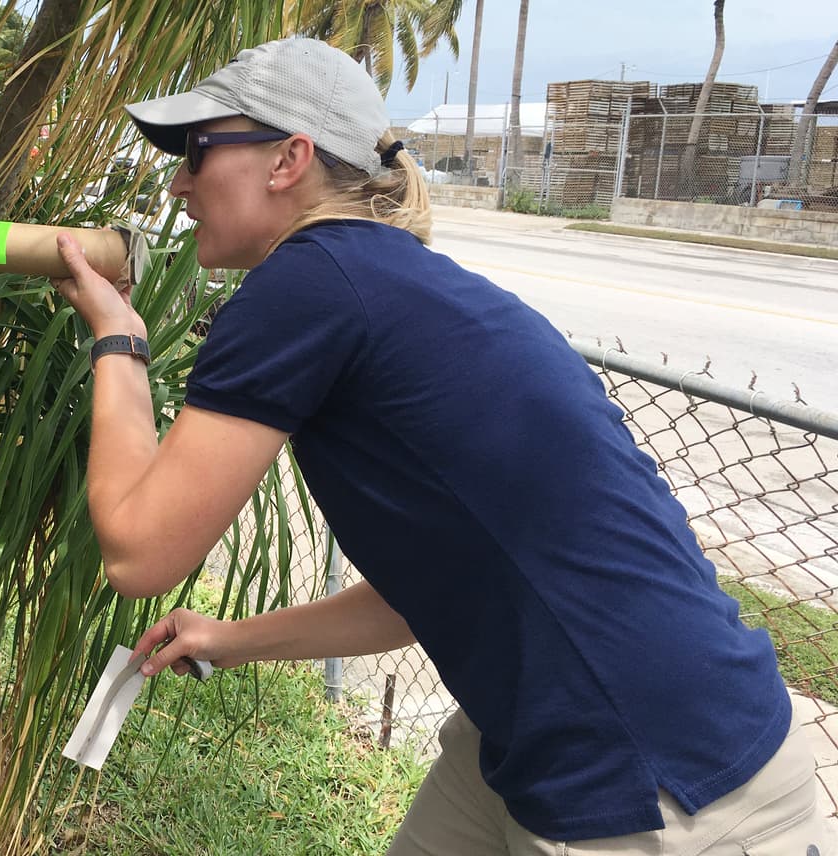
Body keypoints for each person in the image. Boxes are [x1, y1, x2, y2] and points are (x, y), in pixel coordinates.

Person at [52, 37, 827, 856]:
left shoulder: (309, 284)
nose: (178, 183)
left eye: (199, 150)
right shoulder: (383, 279)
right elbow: (415, 596)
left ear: (289, 159)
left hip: (663, 782)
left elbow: (139, 554)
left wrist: (118, 340)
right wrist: (228, 639)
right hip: (557, 731)